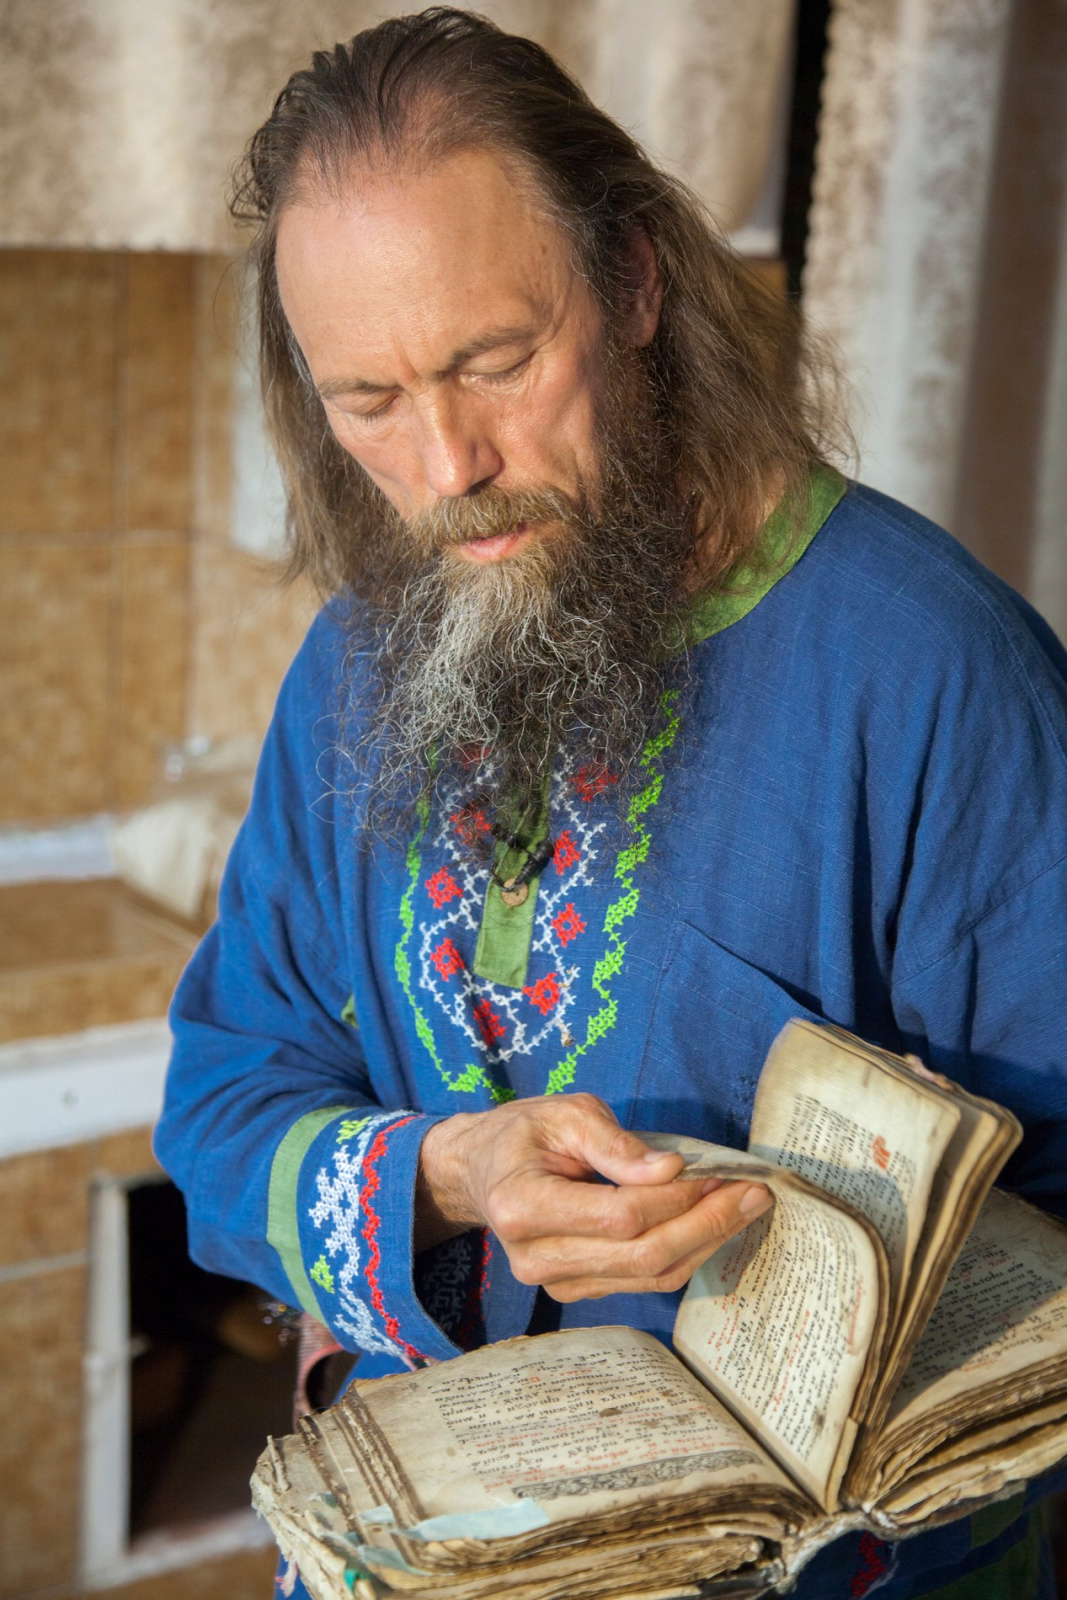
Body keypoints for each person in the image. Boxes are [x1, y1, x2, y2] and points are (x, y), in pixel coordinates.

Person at [156, 9, 1067, 1596]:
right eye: (368, 399)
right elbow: (225, 1104)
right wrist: (454, 1173)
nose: (448, 466)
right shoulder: (355, 664)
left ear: (636, 283)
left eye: (497, 363)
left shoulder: (941, 676)